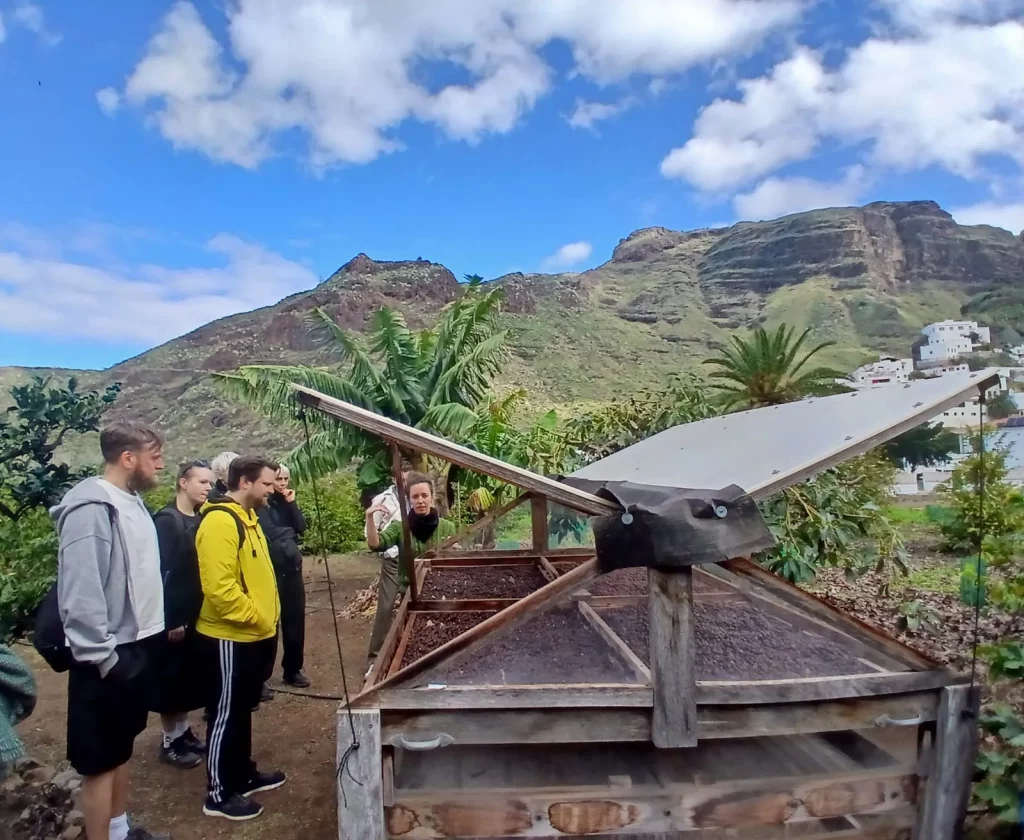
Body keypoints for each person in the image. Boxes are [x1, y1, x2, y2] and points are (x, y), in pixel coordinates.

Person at [51, 421, 170, 840]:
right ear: (128, 458)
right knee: (99, 760)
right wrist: (104, 659)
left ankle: (120, 830)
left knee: (122, 745)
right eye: (155, 458)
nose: (161, 466)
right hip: (107, 654)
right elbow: (81, 593)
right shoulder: (90, 508)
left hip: (138, 645)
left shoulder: (131, 501)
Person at [196, 455, 284, 822]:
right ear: (244, 482)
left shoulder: (249, 519)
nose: (272, 490)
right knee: (224, 713)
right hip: (230, 636)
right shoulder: (220, 521)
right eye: (266, 483)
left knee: (242, 708)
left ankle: (243, 774)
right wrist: (252, 616)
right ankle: (218, 793)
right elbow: (219, 587)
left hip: (253, 634)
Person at [150, 460, 215, 769]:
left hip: (194, 614)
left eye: (210, 483)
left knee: (187, 677)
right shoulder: (167, 520)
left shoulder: (198, 518)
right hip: (172, 617)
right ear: (182, 483)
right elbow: (159, 574)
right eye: (202, 482)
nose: (208, 487)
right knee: (170, 680)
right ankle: (169, 742)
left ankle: (183, 732)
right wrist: (169, 618)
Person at [364, 472, 456, 663]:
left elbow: (452, 560)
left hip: (439, 594)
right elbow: (376, 544)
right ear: (409, 499)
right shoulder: (400, 526)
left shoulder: (447, 527)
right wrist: (370, 518)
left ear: (432, 497)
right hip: (410, 595)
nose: (420, 501)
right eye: (415, 496)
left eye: (424, 495)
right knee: (413, 644)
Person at [257, 464, 309, 688]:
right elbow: (269, 532)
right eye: (278, 479)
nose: (282, 484)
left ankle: (293, 669)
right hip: (269, 570)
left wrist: (292, 503)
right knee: (269, 624)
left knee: (295, 620)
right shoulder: (260, 503)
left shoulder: (285, 502)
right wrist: (289, 534)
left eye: (286, 479)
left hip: (291, 568)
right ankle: (260, 678)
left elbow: (301, 526)